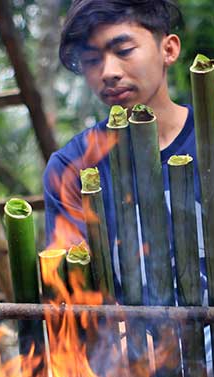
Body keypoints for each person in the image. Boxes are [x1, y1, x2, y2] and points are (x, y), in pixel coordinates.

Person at [43, 0, 193, 271]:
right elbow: (71, 290)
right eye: (91, 60)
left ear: (168, 49)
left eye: (123, 51)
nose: (108, 72)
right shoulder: (70, 167)